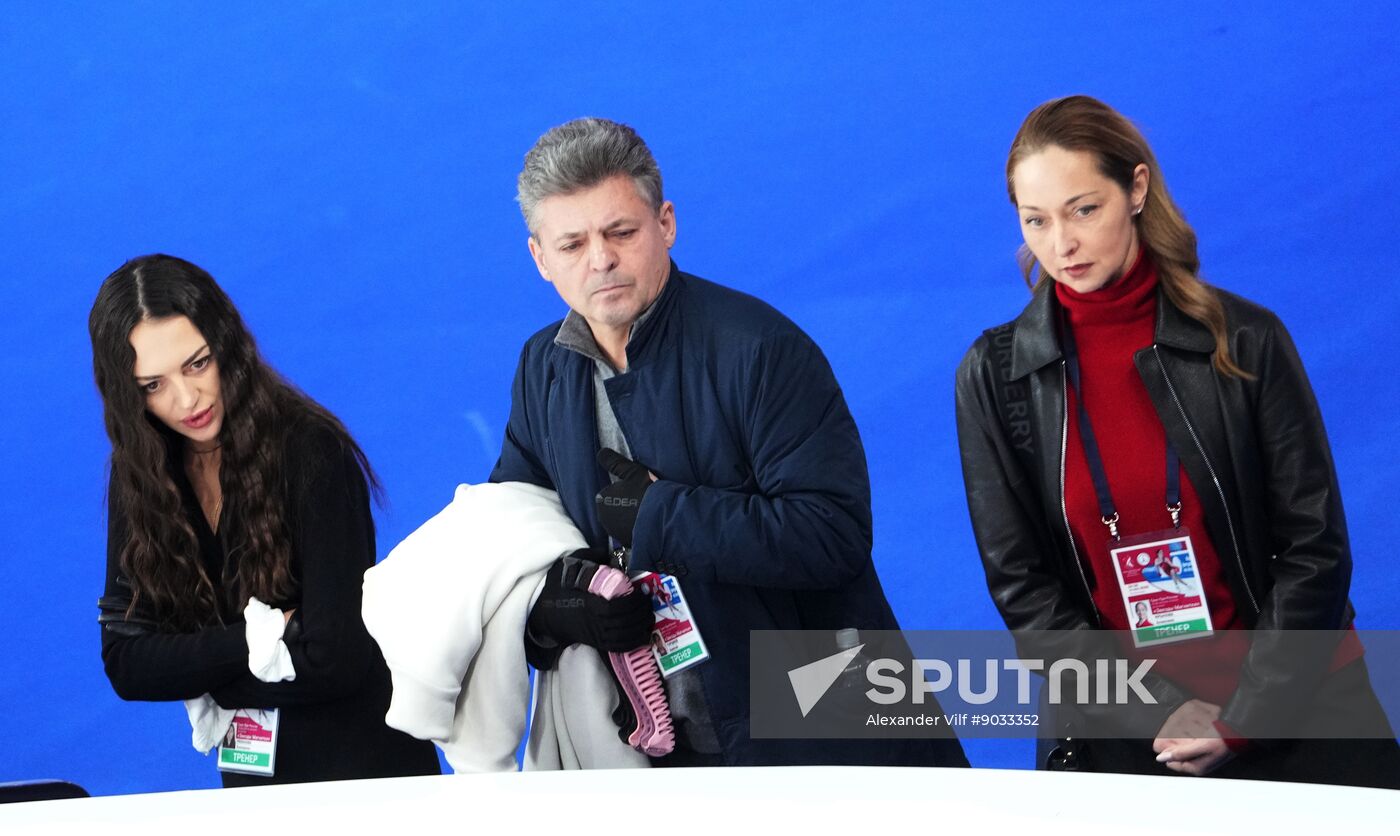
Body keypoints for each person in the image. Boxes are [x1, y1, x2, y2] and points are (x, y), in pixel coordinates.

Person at [492, 117, 967, 768]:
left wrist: (661, 514)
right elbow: (511, 532)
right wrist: (557, 608)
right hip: (648, 743)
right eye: (571, 244)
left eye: (620, 232)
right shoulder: (541, 368)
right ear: (539, 258)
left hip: (814, 723)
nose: (599, 259)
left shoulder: (761, 350)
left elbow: (832, 534)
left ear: (666, 224)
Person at [955, 95, 1399, 787]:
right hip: (1128, 731)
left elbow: (1314, 547)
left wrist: (1245, 716)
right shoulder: (997, 375)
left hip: (1301, 706)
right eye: (1034, 220)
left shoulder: (1244, 338)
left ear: (1136, 189)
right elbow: (1024, 587)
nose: (1060, 245)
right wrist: (1156, 714)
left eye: (1083, 209)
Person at [91, 255, 440, 786]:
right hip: (252, 779)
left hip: (367, 772)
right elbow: (127, 662)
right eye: (152, 386)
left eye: (197, 363)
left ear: (226, 345)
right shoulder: (139, 477)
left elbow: (335, 658)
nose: (187, 399)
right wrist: (261, 637)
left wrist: (210, 678)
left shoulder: (312, 452)